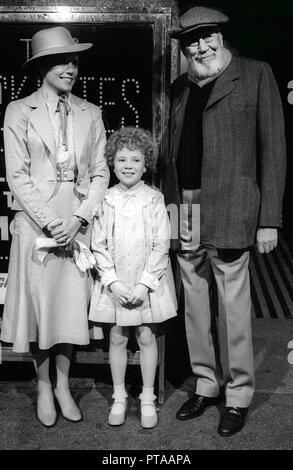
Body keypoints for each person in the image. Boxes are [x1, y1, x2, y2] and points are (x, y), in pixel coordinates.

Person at [162, 6, 286, 436]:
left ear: (220, 36)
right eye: (191, 41)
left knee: (233, 306)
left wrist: (269, 218)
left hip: (232, 205)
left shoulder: (255, 74)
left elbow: (274, 151)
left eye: (207, 36)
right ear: (183, 48)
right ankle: (206, 383)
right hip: (186, 207)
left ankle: (238, 394)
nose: (200, 46)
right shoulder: (181, 86)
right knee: (195, 301)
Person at [0, 26, 109, 427]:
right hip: (36, 223)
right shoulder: (18, 110)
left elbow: (100, 173)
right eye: (63, 61)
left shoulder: (90, 112)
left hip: (77, 223)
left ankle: (63, 384)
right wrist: (51, 223)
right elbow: (17, 175)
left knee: (67, 310)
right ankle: (43, 385)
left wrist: (78, 219)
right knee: (40, 310)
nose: (71, 68)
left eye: (75, 61)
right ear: (44, 65)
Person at [89, 126, 177, 428]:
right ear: (112, 163)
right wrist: (112, 282)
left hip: (146, 285)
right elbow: (97, 244)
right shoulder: (105, 199)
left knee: (146, 335)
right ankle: (119, 396)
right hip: (115, 284)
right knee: (116, 336)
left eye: (136, 160)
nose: (129, 166)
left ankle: (148, 397)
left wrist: (144, 285)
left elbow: (160, 244)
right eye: (123, 160)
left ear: (146, 164)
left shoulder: (153, 199)